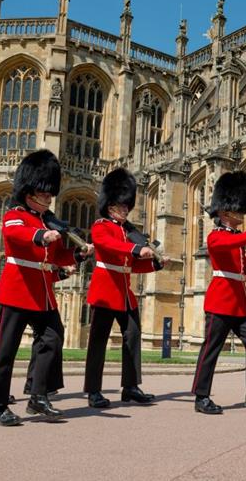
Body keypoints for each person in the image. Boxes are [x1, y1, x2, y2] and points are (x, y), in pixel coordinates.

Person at [0, 149, 92, 426]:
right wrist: (40, 235)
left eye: (49, 193)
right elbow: (15, 234)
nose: (48, 197)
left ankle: (38, 396)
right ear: (30, 191)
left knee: (53, 339)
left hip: (43, 294)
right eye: (44, 193)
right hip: (17, 291)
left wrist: (78, 255)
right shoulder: (15, 214)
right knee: (6, 350)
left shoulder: (49, 222)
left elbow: (56, 258)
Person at [191, 170, 246, 415]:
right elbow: (233, 243)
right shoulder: (215, 237)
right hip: (220, 302)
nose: (242, 215)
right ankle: (201, 397)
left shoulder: (237, 241)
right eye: (238, 211)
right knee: (211, 349)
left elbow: (242, 274)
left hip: (239, 304)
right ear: (225, 213)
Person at [83, 168, 168, 408]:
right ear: (110, 206)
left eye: (126, 206)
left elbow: (131, 267)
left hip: (125, 295)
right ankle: (93, 391)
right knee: (98, 342)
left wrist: (155, 263)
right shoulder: (101, 226)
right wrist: (135, 249)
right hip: (104, 293)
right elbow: (105, 244)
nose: (125, 210)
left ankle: (130, 386)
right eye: (121, 206)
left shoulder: (128, 232)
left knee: (133, 336)